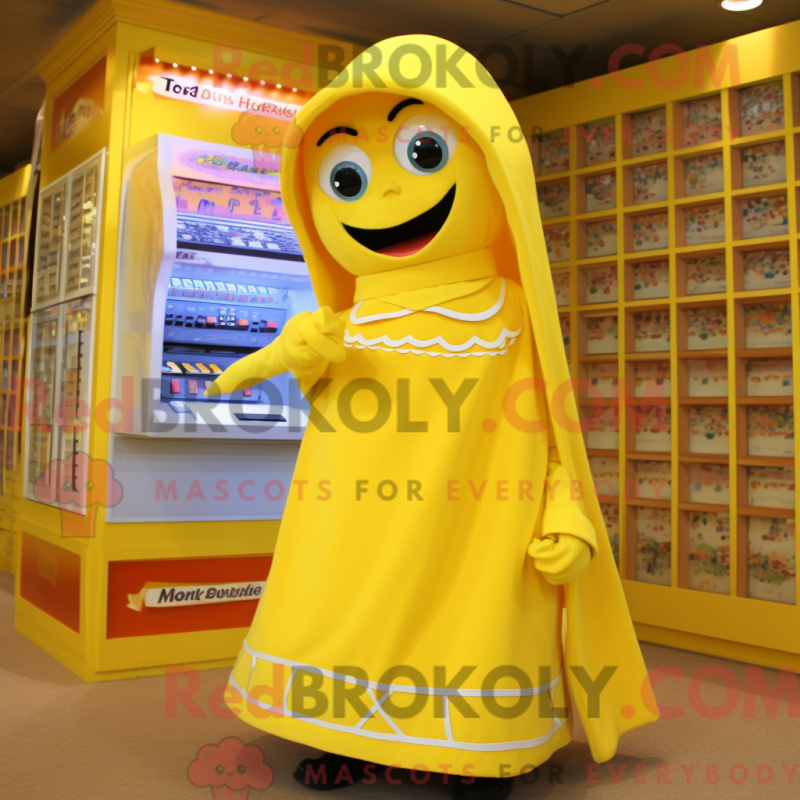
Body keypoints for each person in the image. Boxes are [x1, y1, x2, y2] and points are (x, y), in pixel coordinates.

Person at [208, 34, 658, 800]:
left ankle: (470, 747)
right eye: (346, 177)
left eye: (423, 152)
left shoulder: (509, 313)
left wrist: (566, 510)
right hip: (348, 527)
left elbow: (546, 427)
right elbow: (330, 409)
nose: (385, 194)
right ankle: (345, 736)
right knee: (341, 621)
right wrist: (303, 357)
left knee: (475, 626)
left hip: (476, 527)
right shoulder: (345, 320)